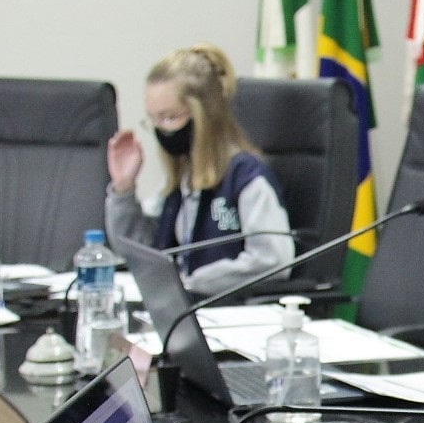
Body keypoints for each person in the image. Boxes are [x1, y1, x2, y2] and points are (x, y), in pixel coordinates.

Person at [105, 44, 294, 295]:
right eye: (154, 120)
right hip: (184, 311)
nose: (161, 130)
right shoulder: (182, 178)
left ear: (203, 115)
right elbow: (136, 250)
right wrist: (124, 189)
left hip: (229, 314)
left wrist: (189, 283)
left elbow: (273, 260)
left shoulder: (246, 177)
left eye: (170, 118)